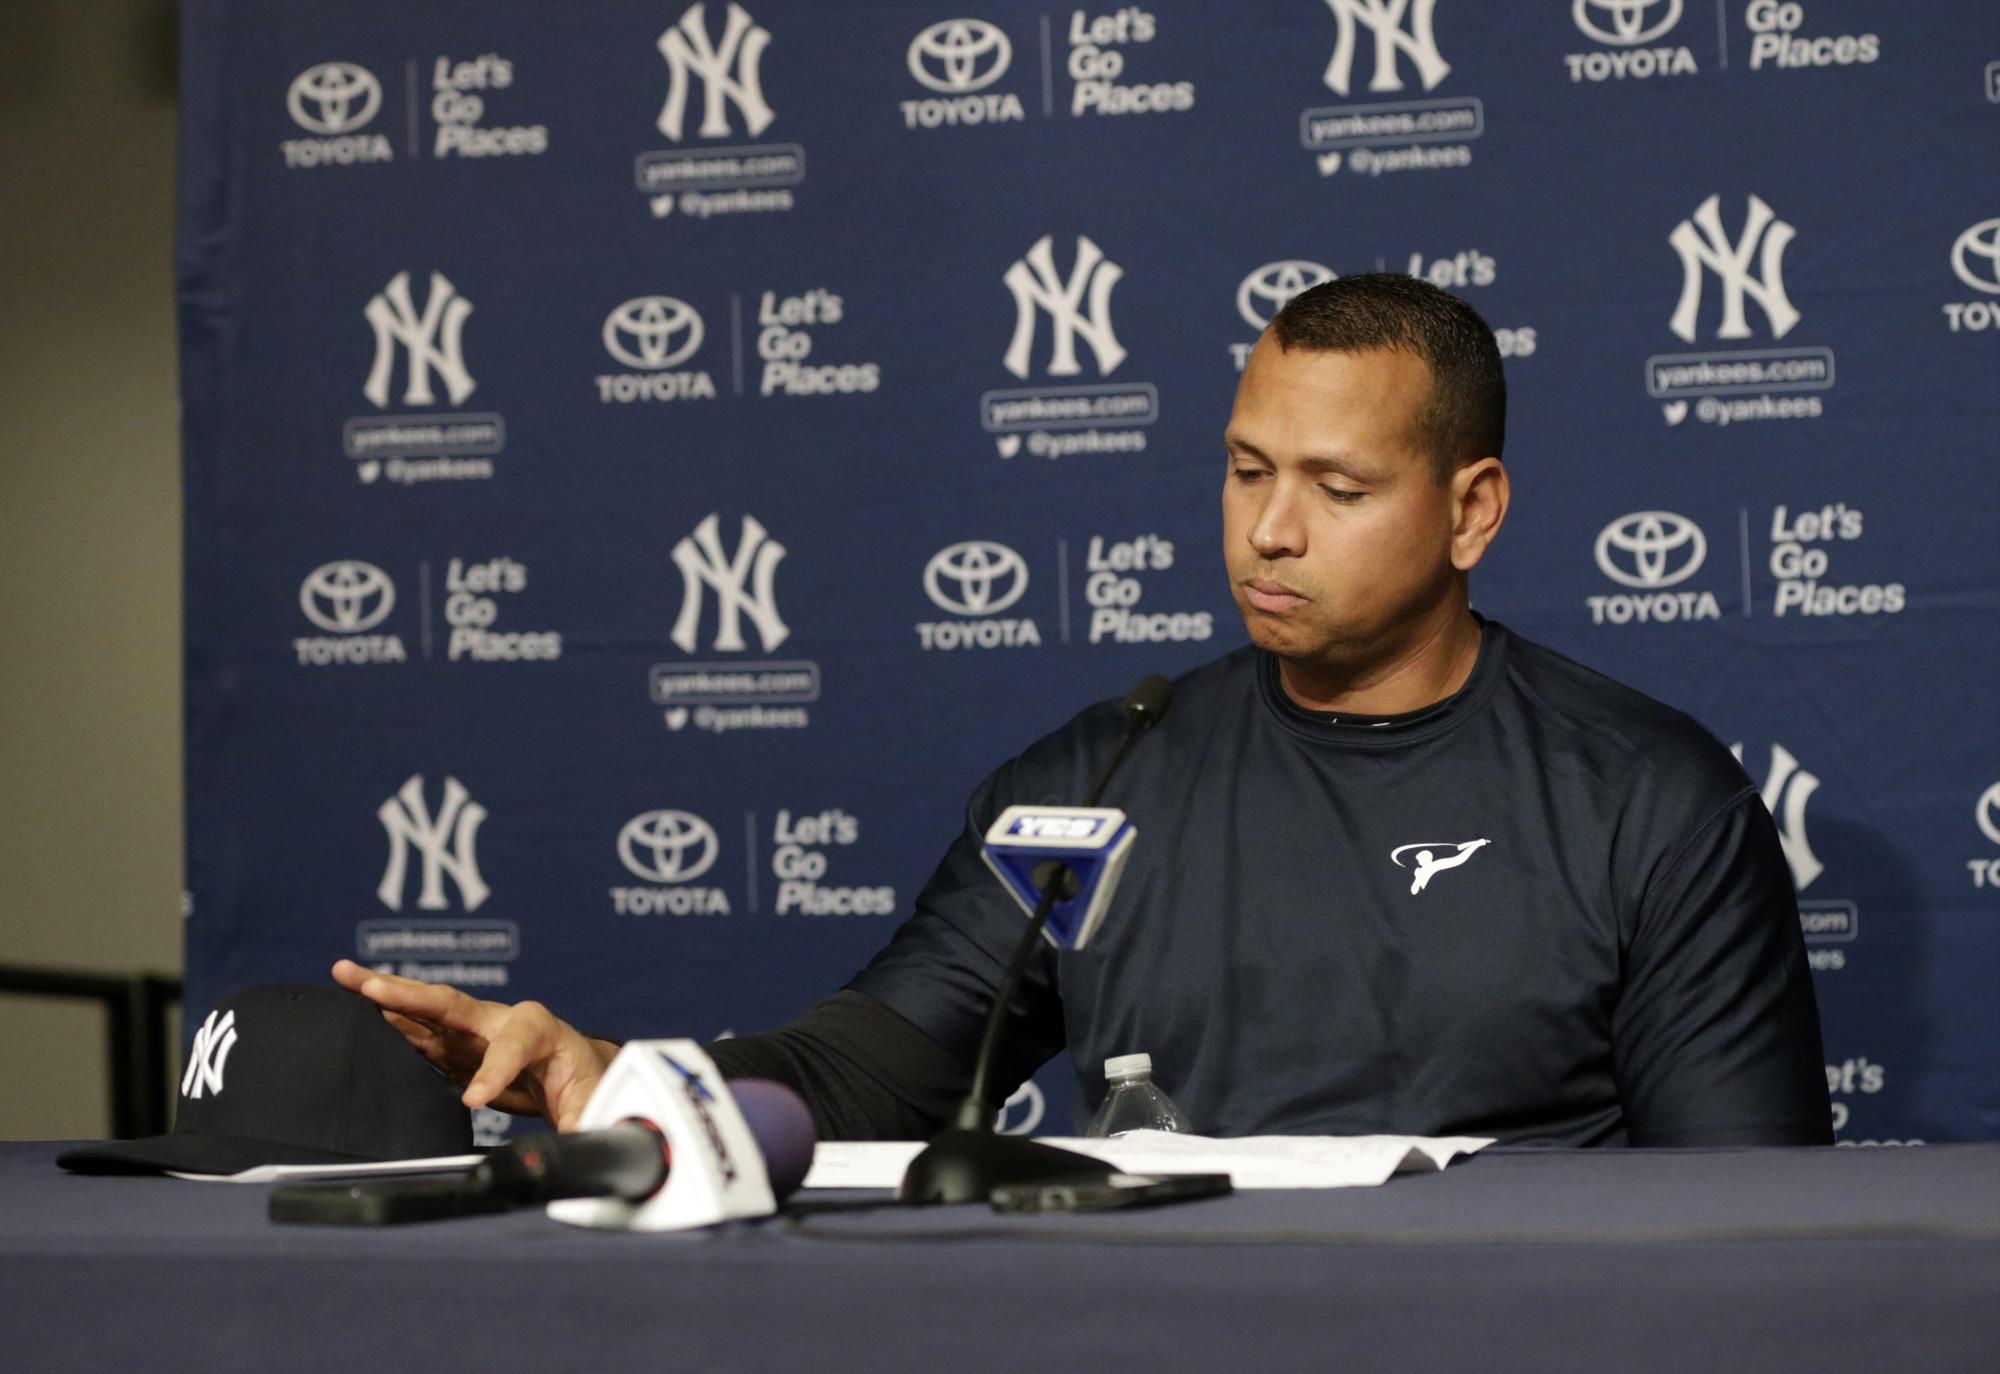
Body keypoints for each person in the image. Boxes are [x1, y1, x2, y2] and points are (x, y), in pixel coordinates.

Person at [333, 275, 1831, 1147]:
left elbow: (1743, 1212)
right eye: (1248, 470)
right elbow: (885, 1061)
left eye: (1338, 486)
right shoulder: (1104, 772)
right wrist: (627, 1080)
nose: (1271, 532)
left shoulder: (1646, 795)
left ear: (1472, 509)